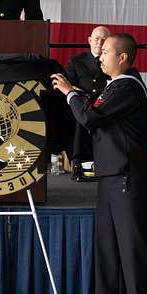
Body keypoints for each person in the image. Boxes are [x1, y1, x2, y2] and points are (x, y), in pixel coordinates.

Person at [51, 33, 147, 294]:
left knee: (134, 252)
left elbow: (91, 117)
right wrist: (75, 92)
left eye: (106, 53)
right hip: (112, 177)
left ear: (123, 58)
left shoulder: (126, 86)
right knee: (108, 248)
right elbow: (96, 108)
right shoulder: (117, 85)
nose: (99, 58)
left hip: (127, 179)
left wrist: (68, 93)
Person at [65, 26, 111, 181]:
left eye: (104, 39)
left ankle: (105, 167)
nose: (100, 42)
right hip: (81, 104)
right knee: (80, 121)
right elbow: (68, 85)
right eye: (97, 38)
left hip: (105, 105)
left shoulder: (113, 61)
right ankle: (78, 167)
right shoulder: (76, 61)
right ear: (90, 40)